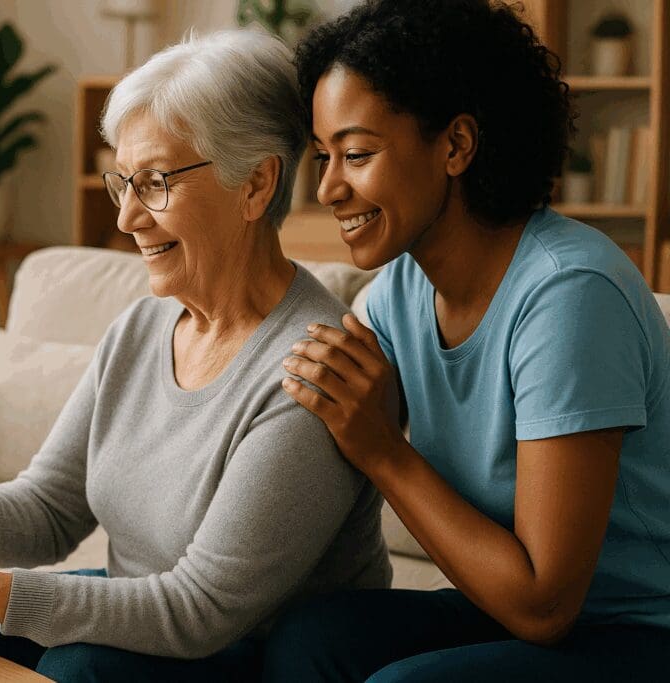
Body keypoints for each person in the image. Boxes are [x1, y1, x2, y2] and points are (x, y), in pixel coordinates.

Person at [0, 29, 392, 681]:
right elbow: (50, 510)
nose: (126, 218)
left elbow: (201, 609)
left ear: (256, 184)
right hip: (153, 619)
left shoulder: (315, 368)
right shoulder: (141, 328)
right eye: (123, 182)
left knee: (78, 665)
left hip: (255, 653)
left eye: (155, 183)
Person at [263, 1, 670, 681]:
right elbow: (305, 423)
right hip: (506, 612)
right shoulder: (399, 292)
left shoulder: (569, 294)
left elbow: (545, 606)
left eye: (356, 154)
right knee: (311, 637)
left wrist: (384, 450)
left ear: (455, 145)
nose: (329, 188)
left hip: (635, 630)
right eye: (323, 156)